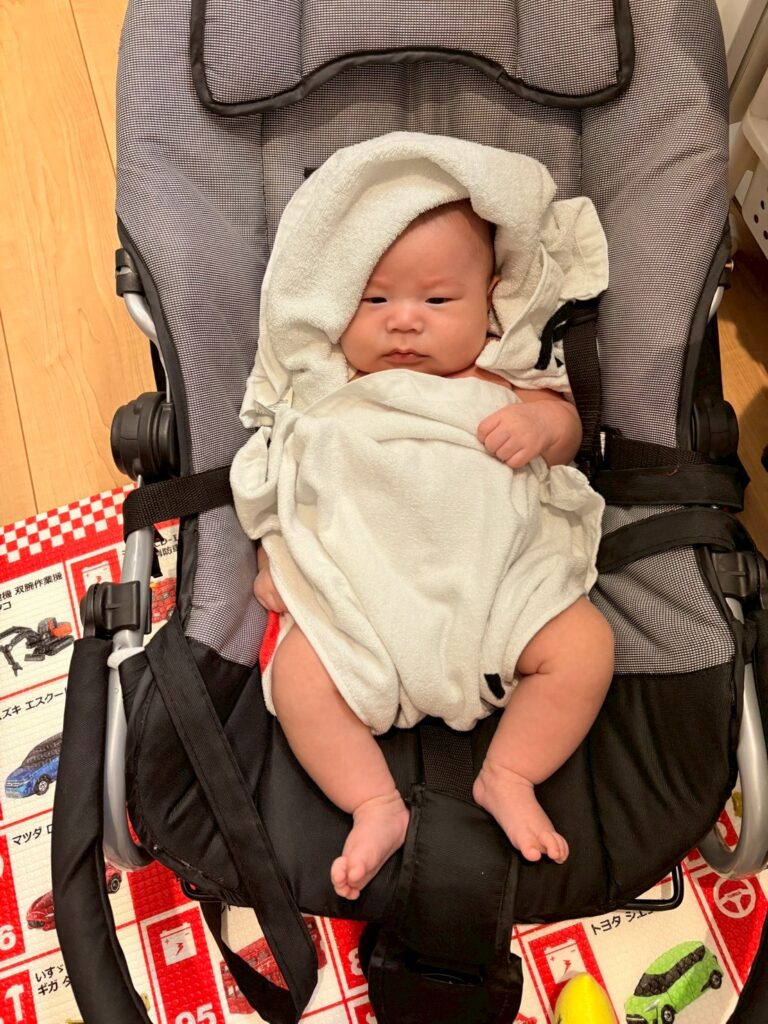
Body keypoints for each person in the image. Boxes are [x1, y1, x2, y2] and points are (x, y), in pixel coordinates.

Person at [251, 199, 614, 900]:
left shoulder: (500, 379)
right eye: (374, 300)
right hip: (364, 596)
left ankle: (510, 773)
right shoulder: (331, 392)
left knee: (584, 647)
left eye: (438, 300)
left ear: (490, 304)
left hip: (498, 586)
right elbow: (281, 479)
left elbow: (570, 433)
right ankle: (372, 803)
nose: (404, 321)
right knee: (300, 679)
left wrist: (542, 428)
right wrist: (277, 553)